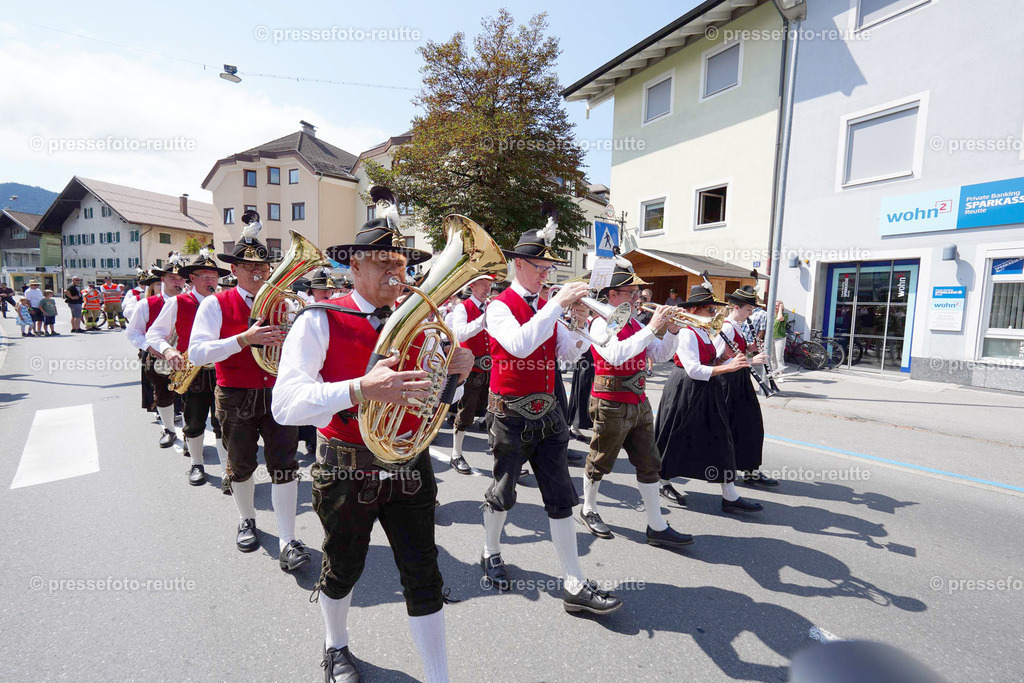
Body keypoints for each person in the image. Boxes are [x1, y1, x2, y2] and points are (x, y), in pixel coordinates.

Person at [273, 193, 471, 681]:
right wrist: (362, 388)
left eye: (401, 262)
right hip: (347, 462)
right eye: (383, 262)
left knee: (424, 574)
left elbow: (431, 399)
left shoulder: (421, 322)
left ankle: (439, 674)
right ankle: (335, 645)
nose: (396, 273)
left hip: (408, 463)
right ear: (354, 266)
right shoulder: (320, 319)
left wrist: (457, 376)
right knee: (343, 568)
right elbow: (285, 404)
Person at [480, 219, 622, 616]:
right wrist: (557, 306)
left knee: (561, 498)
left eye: (548, 270)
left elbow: (568, 354)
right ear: (519, 265)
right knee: (503, 493)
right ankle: (490, 550)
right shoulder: (498, 307)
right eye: (541, 268)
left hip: (549, 414)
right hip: (509, 415)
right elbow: (520, 345)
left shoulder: (546, 306)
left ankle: (574, 582)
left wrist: (577, 322)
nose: (547, 275)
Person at [189, 210, 310, 572]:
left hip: (278, 393)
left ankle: (288, 538)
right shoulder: (215, 304)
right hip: (236, 395)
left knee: (285, 466)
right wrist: (244, 339)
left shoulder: (286, 304)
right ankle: (248, 519)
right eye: (249, 267)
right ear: (235, 270)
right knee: (241, 466)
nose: (258, 273)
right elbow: (197, 352)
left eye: (263, 268)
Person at [576, 263, 693, 547]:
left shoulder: (636, 323)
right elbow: (615, 355)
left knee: (650, 463)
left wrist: (673, 332)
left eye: (638, 292)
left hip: (638, 399)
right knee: (600, 460)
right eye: (631, 292)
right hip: (611, 400)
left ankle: (657, 525)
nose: (638, 297)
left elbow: (661, 355)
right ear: (613, 295)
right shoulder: (601, 322)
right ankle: (588, 508)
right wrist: (652, 328)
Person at [656, 285, 763, 513]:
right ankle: (662, 481)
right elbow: (694, 369)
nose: (714, 314)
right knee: (674, 437)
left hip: (705, 389)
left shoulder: (704, 331)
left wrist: (736, 363)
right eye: (710, 309)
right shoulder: (686, 332)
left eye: (715, 309)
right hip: (684, 389)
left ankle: (730, 496)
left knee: (721, 440)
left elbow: (709, 363)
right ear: (694, 309)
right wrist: (728, 368)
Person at [146, 248, 230, 486]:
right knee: (194, 421)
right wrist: (169, 350)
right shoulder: (178, 302)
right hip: (192, 371)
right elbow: (154, 334)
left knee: (223, 422)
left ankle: (227, 471)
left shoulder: (224, 301)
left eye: (213, 277)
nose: (210, 281)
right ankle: (197, 463)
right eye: (204, 276)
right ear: (191, 278)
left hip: (223, 369)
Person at [715, 287, 778, 490]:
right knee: (740, 426)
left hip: (739, 379)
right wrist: (751, 360)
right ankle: (737, 470)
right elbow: (717, 358)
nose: (751, 314)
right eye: (748, 310)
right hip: (728, 382)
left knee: (749, 426)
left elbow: (734, 353)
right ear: (736, 307)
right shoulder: (726, 327)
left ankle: (749, 470)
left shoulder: (737, 325)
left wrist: (748, 350)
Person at [126, 257, 187, 446]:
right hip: (158, 357)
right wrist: (151, 347)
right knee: (162, 394)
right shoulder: (146, 304)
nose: (177, 282)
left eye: (180, 279)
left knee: (190, 398)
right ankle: (168, 429)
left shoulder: (191, 301)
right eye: (172, 278)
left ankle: (190, 435)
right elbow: (133, 332)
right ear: (162, 280)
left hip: (186, 356)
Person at [447, 274, 496, 474]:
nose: (487, 288)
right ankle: (456, 454)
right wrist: (482, 320)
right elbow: (460, 333)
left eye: (490, 285)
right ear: (472, 285)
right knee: (465, 413)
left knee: (495, 414)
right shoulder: (462, 307)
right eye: (483, 284)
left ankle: (501, 460)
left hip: (491, 368)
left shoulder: (493, 307)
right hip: (471, 369)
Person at [772, 300, 789, 375]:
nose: (776, 307)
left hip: (780, 338)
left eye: (778, 305)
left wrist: (780, 310)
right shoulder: (771, 315)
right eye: (775, 305)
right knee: (772, 357)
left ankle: (781, 374)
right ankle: (775, 372)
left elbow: (779, 318)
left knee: (779, 357)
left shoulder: (785, 315)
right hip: (771, 338)